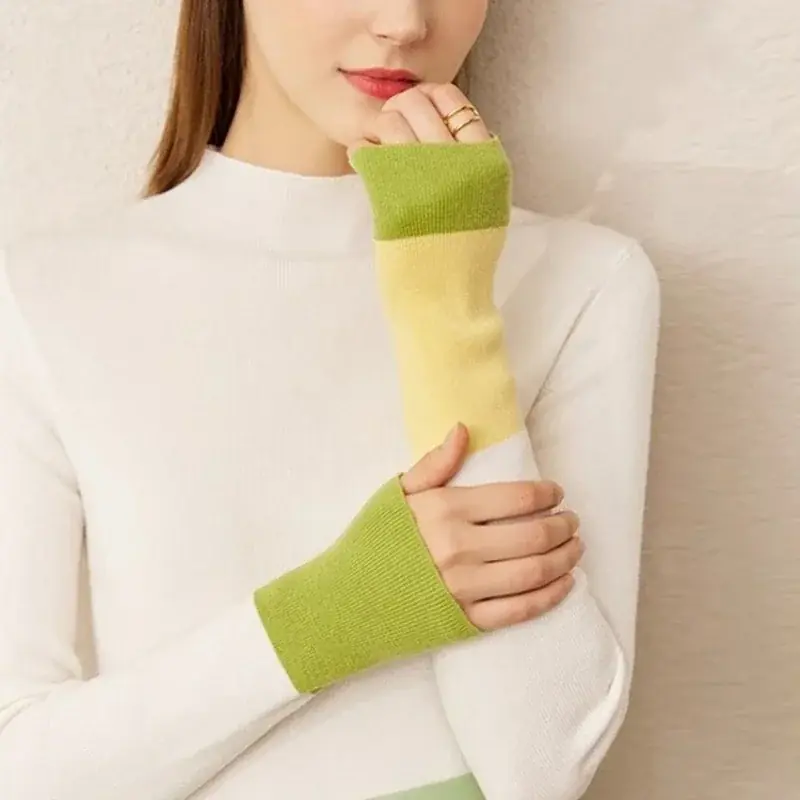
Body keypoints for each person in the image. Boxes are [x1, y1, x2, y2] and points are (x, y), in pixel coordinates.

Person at [0, 0, 661, 798]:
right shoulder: (45, 297)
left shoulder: (586, 283)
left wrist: (446, 307)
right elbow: (22, 768)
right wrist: (339, 611)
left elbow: (540, 770)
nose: (404, 22)